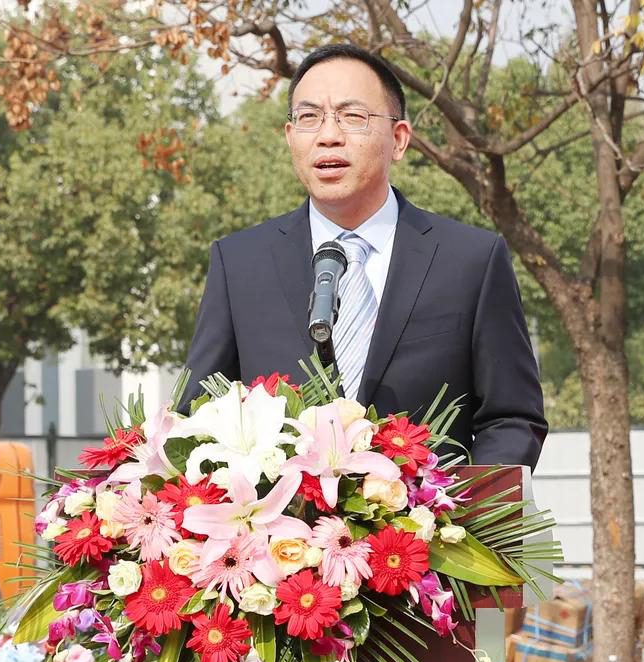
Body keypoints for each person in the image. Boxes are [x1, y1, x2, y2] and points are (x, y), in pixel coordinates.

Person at [178, 42, 547, 471]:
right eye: (309, 117)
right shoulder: (240, 264)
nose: (328, 135)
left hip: (429, 513)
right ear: (290, 137)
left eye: (352, 117)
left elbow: (511, 418)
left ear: (399, 139)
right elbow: (197, 418)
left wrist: (456, 506)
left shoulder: (471, 261)